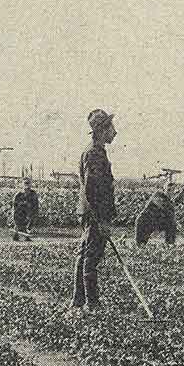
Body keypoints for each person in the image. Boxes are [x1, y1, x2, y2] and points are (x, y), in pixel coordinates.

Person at [70, 108, 117, 311]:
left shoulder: (95, 151)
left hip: (91, 213)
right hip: (95, 213)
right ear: (101, 130)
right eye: (111, 128)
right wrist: (101, 220)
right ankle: (92, 303)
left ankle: (78, 300)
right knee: (91, 257)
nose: (115, 132)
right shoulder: (94, 154)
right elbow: (92, 190)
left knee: (84, 255)